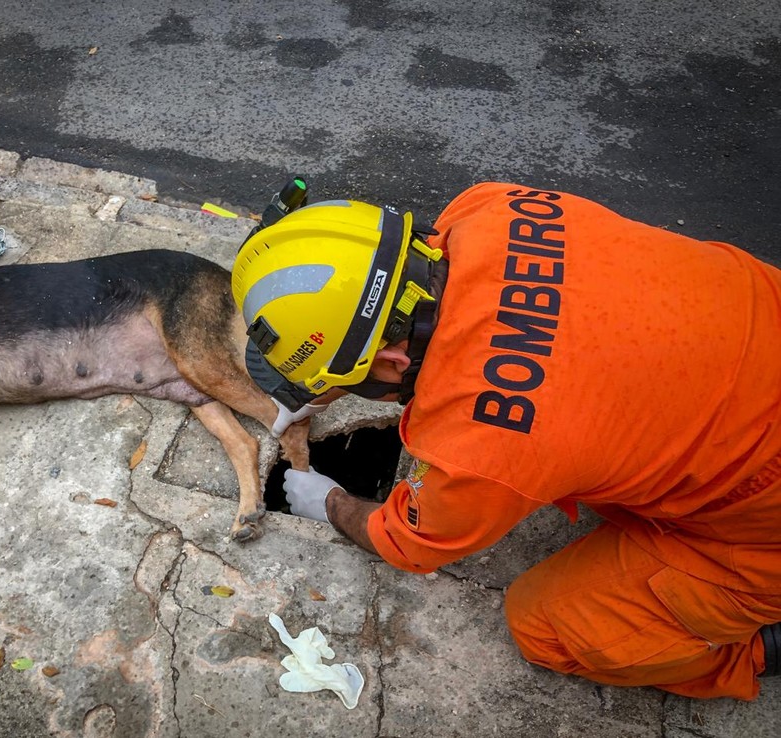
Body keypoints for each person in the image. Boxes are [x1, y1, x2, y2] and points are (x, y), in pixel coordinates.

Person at [230, 182, 781, 700]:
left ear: (393, 361)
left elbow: (409, 543)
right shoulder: (490, 207)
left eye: (349, 382)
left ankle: (756, 651)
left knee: (544, 626)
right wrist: (327, 382)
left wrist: (329, 501)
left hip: (762, 523)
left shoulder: (481, 441)